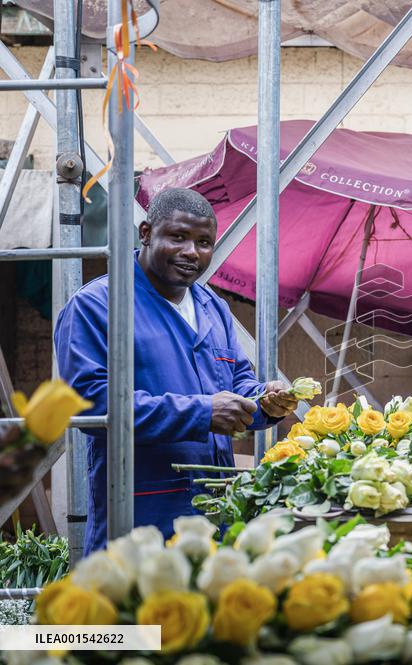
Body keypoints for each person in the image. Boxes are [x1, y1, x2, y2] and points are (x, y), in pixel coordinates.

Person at [55, 188, 297, 554]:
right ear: (147, 233)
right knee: (137, 608)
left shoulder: (211, 306)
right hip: (141, 516)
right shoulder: (98, 306)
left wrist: (265, 401)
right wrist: (202, 412)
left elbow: (237, 382)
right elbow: (90, 405)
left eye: (204, 242)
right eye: (178, 237)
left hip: (214, 519)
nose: (191, 252)